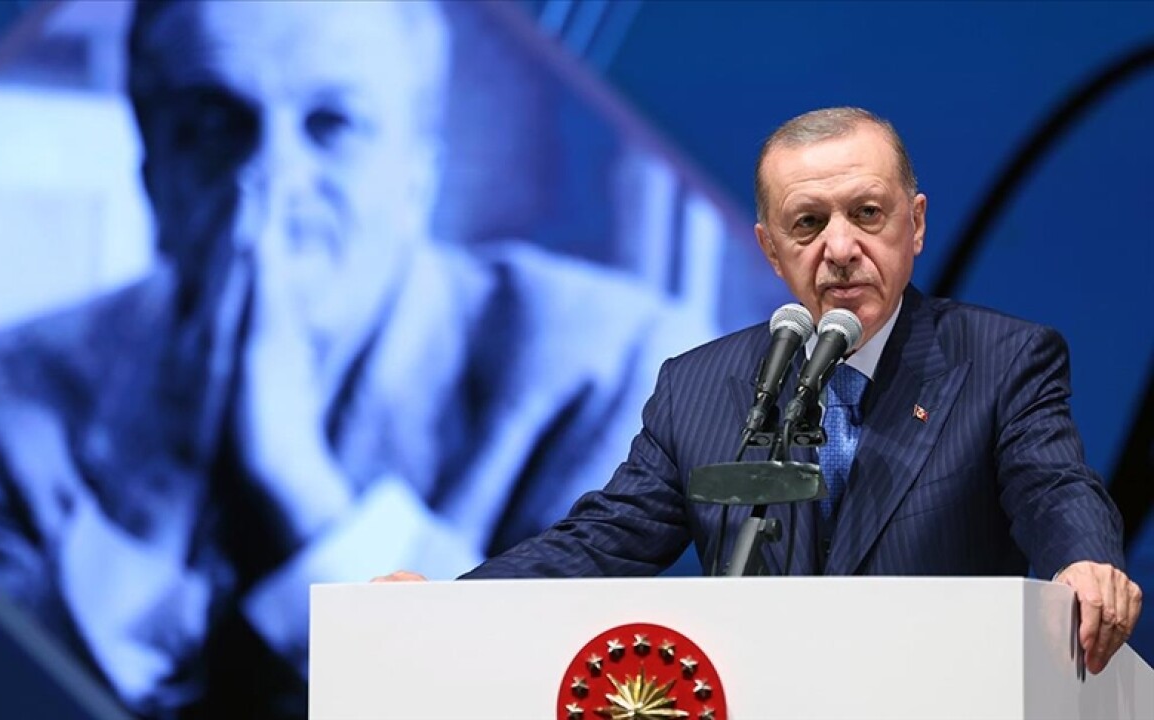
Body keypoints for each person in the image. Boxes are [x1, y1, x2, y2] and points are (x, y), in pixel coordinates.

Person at [0, 1, 708, 716]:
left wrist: (305, 499)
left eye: (331, 124)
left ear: (416, 175)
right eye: (215, 123)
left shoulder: (619, 372)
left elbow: (586, 693)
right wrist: (152, 496)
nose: (270, 178)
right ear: (152, 171)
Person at [382, 107, 1143, 676]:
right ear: (770, 250)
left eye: (867, 214)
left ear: (914, 225)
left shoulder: (1001, 359)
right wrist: (451, 600)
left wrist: (1083, 561)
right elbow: (602, 541)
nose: (840, 248)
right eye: (807, 223)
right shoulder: (699, 386)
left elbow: (1054, 486)